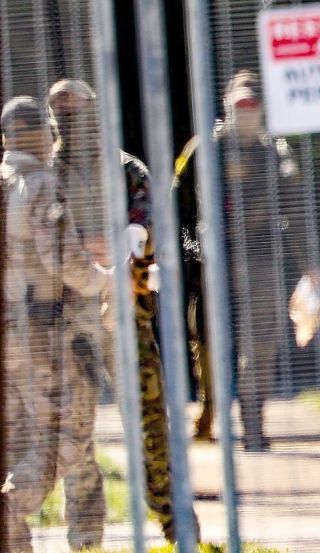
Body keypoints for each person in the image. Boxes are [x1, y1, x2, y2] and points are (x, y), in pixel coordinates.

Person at [47, 78, 199, 543]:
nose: (70, 121)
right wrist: (77, 251)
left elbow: (152, 221)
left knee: (149, 418)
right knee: (75, 430)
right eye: (61, 112)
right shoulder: (45, 172)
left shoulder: (125, 168)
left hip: (123, 313)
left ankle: (176, 523)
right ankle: (86, 537)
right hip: (66, 320)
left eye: (77, 110)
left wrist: (124, 244)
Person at [174, 70, 320, 452]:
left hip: (261, 258)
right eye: (240, 105)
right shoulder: (203, 150)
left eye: (252, 105)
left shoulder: (275, 152)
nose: (246, 111)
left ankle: (253, 425)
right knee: (209, 343)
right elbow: (179, 208)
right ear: (227, 106)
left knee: (261, 347)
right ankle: (210, 411)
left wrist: (309, 262)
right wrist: (191, 256)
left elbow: (294, 209)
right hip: (212, 264)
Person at [1, 96, 111, 552]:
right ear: (44, 135)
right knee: (69, 435)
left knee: (16, 442)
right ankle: (12, 503)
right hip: (42, 334)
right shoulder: (41, 185)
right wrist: (107, 281)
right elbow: (64, 260)